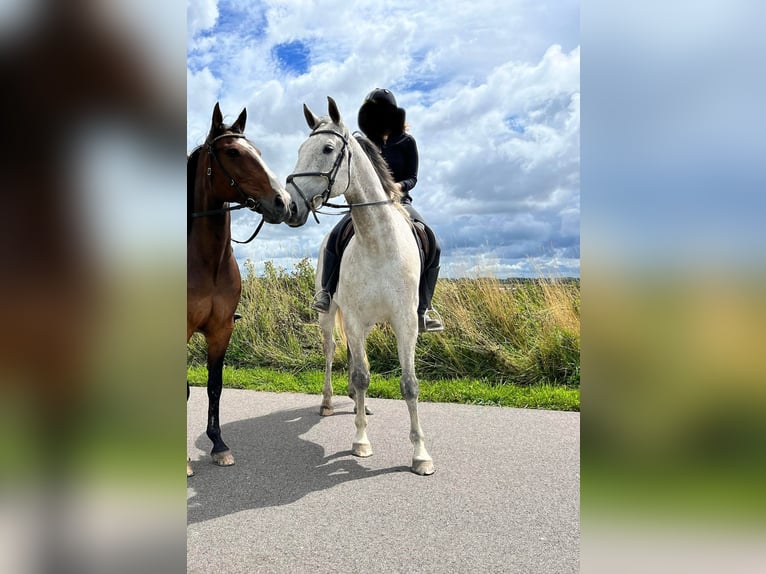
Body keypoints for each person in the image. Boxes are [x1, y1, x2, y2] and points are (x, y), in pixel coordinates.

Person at [311, 88, 444, 333]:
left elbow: (413, 177)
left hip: (399, 202)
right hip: (366, 206)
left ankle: (423, 310)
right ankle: (326, 294)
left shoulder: (406, 142)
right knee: (333, 239)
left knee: (433, 244)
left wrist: (398, 186)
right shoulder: (362, 143)